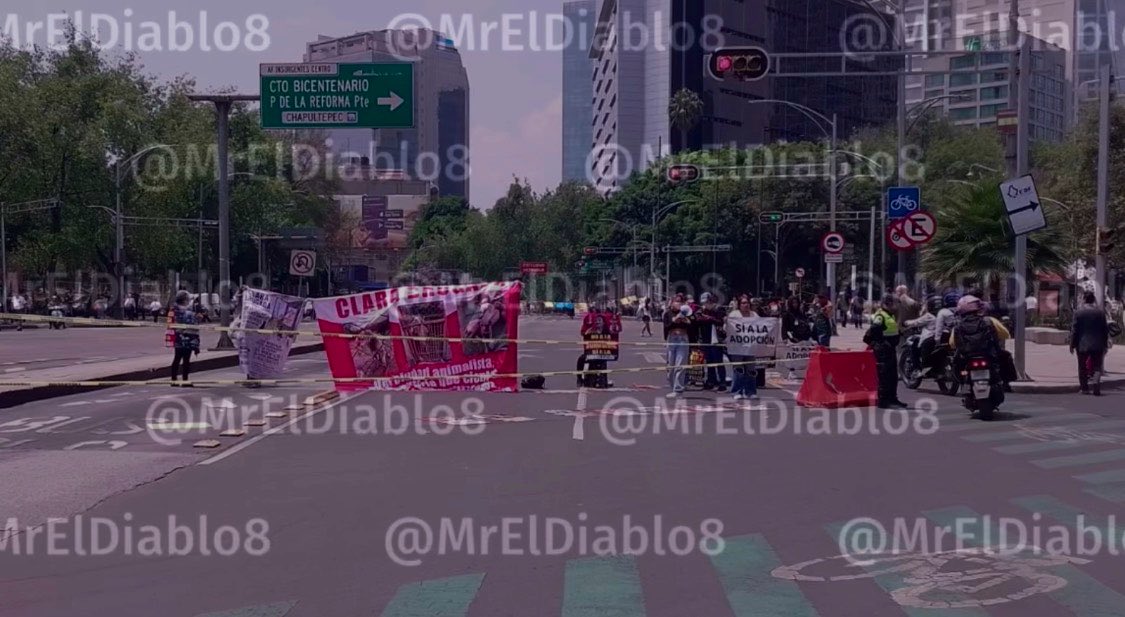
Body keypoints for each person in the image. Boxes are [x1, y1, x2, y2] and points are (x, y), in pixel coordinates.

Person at [950, 295, 1012, 384]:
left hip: (967, 357)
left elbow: (952, 343)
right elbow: (1006, 334)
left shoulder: (958, 326)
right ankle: (1005, 383)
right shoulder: (989, 320)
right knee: (1005, 358)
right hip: (988, 355)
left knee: (959, 367)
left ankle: (964, 381)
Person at [865, 294, 907, 409]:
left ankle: (893, 398)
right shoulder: (880, 316)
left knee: (893, 375)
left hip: (890, 349)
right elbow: (874, 329)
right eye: (894, 303)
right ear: (887, 304)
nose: (896, 306)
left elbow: (889, 330)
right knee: (885, 375)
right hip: (883, 350)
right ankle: (884, 401)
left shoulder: (890, 315)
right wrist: (883, 342)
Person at [1071, 292, 1110, 396]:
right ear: (1093, 300)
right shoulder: (1100, 313)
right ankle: (1096, 381)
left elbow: (1074, 330)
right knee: (1097, 366)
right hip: (1098, 344)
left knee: (1082, 366)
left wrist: (1072, 344)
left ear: (1084, 299)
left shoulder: (1078, 312)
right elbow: (1105, 330)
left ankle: (1084, 389)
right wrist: (1105, 345)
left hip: (1082, 344)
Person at [727, 296, 759, 401]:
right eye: (744, 303)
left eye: (748, 303)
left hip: (751, 347)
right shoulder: (734, 315)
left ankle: (751, 392)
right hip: (737, 348)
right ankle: (737, 391)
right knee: (738, 370)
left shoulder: (754, 315)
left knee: (751, 370)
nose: (746, 305)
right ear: (739, 305)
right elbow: (727, 329)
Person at [695, 292, 727, 392]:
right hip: (706, 338)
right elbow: (698, 321)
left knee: (718, 361)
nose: (705, 304)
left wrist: (709, 318)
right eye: (704, 303)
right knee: (709, 361)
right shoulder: (702, 310)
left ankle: (722, 382)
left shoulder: (718, 309)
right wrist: (700, 317)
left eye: (707, 302)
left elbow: (721, 321)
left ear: (711, 300)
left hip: (716, 338)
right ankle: (710, 381)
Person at [168, 291, 200, 386]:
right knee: (186, 360)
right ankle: (185, 380)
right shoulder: (188, 311)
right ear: (185, 299)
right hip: (188, 337)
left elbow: (170, 323)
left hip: (177, 336)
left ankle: (174, 379)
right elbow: (193, 326)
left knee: (177, 358)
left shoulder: (173, 309)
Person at [663, 302, 693, 398]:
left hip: (683, 339)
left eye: (680, 303)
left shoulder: (684, 313)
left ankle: (678, 390)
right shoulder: (667, 314)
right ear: (671, 304)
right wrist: (674, 321)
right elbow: (666, 326)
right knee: (670, 365)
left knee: (680, 365)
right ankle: (673, 387)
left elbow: (691, 326)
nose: (678, 305)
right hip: (672, 338)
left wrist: (685, 320)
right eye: (676, 303)